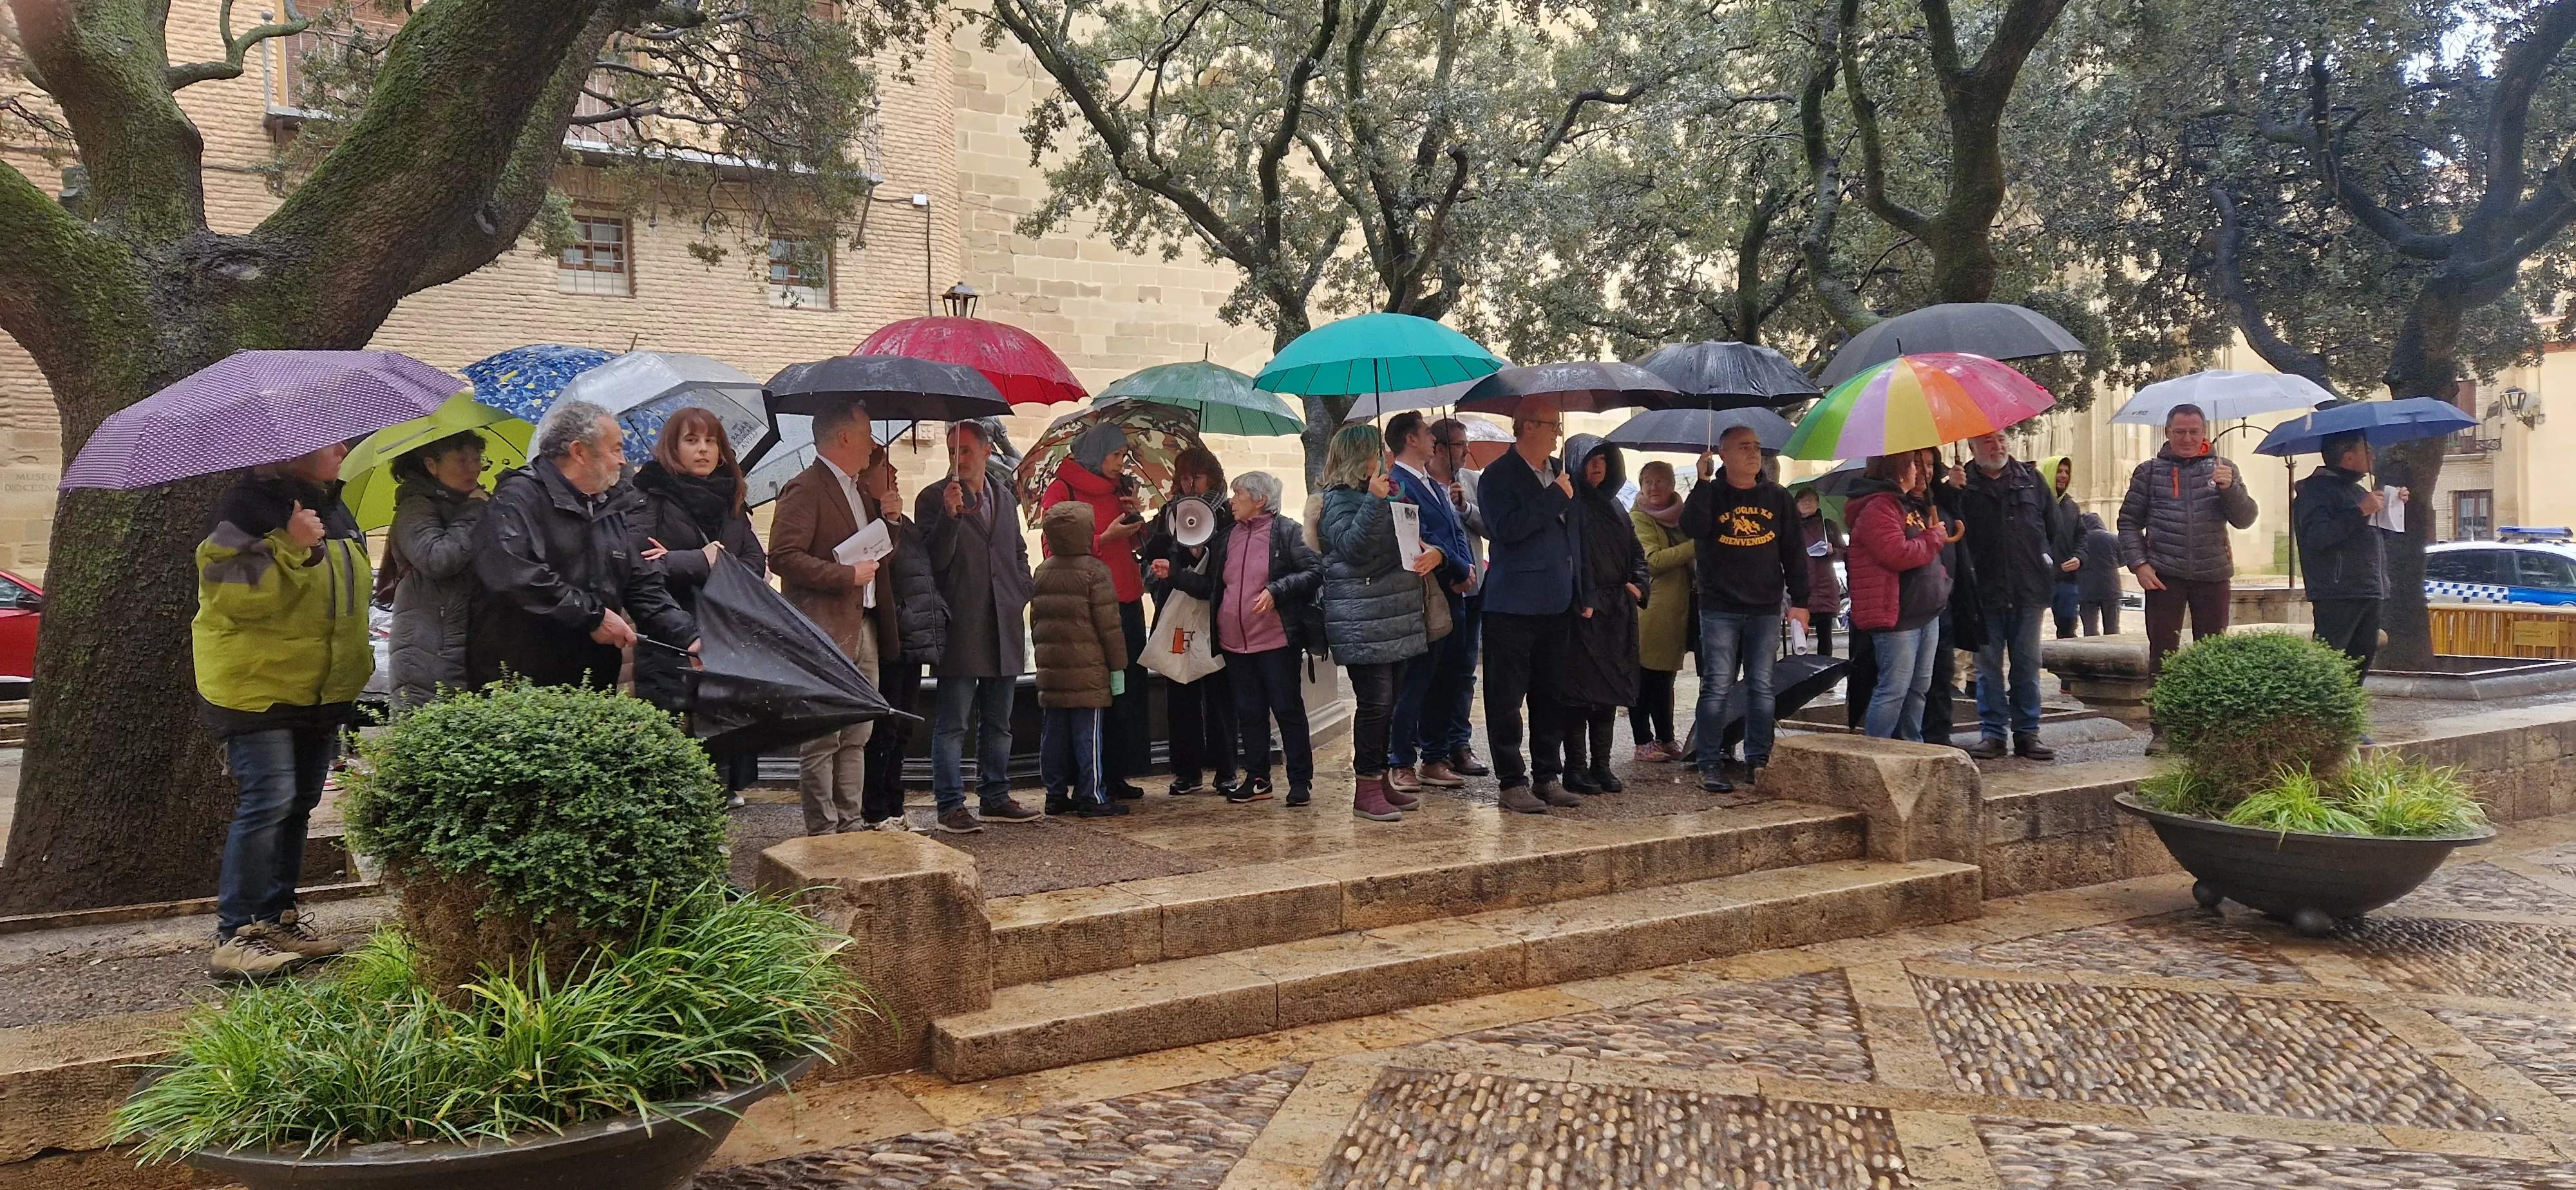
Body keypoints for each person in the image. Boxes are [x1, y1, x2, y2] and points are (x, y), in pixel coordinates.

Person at [194, 442, 372, 979]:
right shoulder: (245, 508)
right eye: (331, 441)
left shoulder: (333, 507)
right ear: (293, 448)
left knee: (299, 802)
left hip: (318, 685)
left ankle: (276, 920)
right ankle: (236, 935)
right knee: (268, 799)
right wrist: (289, 546)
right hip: (257, 683)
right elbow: (231, 597)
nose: (343, 447)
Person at [470, 400, 696, 690]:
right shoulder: (518, 498)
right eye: (616, 448)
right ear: (579, 452)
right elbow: (518, 576)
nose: (623, 460)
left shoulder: (609, 504)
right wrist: (594, 617)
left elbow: (641, 583)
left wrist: (689, 637)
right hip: (522, 683)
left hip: (592, 681)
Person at [767, 401, 905, 836]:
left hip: (864, 625)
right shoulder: (805, 488)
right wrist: (846, 575)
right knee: (825, 735)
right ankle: (823, 829)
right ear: (844, 437)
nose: (873, 443)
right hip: (825, 630)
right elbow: (784, 557)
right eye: (866, 432)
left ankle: (851, 821)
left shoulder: (860, 490)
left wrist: (892, 524)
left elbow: (874, 554)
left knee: (858, 733)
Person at [1166, 471, 1327, 805]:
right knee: (1249, 713)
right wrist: (1175, 576)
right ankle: (1258, 780)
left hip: (1275, 641)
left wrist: (1276, 590)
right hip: (1234, 644)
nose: (1231, 501)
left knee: (1287, 710)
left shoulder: (1288, 532)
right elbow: (1212, 589)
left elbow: (1314, 572)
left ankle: (1300, 781)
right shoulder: (1227, 538)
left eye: (1239, 495)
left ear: (1260, 500)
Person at [632, 408, 769, 796]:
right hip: (670, 640)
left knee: (716, 749)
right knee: (672, 753)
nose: (703, 450)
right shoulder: (650, 495)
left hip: (724, 636)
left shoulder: (732, 498)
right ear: (673, 447)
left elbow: (754, 564)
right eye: (691, 441)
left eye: (711, 441)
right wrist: (700, 559)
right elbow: (640, 569)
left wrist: (697, 560)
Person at [916, 420, 1042, 831]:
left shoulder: (1004, 497)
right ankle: (950, 804)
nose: (958, 459)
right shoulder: (932, 497)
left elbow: (1018, 550)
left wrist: (1021, 588)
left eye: (966, 450)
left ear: (987, 451)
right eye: (952, 451)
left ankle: (995, 795)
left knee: (1000, 720)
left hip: (1003, 621)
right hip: (962, 622)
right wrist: (949, 517)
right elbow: (931, 561)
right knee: (953, 722)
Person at [2118, 403, 2259, 753]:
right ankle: (2163, 731)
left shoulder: (2225, 469)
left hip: (2213, 574)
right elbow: (2128, 523)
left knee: (2212, 656)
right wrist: (2139, 564)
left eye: (2194, 431)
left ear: (2204, 433)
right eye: (2180, 432)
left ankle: (2209, 728)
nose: (2187, 438)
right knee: (2162, 655)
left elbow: (2245, 519)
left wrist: (2230, 489)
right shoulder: (2149, 472)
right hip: (2164, 575)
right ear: (2167, 433)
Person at [1681, 424, 1810, 793]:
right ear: (1723, 454)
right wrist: (1701, 483)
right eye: (1743, 448)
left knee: (1762, 687)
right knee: (1717, 686)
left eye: (1756, 447)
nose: (1753, 454)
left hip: (1765, 606)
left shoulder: (1778, 498)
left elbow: (1794, 554)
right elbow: (1692, 527)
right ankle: (1710, 761)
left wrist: (1801, 602)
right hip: (1719, 605)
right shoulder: (1711, 493)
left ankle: (1758, 759)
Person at [1316, 424, 1434, 822]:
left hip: (1394, 614)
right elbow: (1354, 549)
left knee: (1389, 703)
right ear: (1360, 456)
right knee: (1375, 705)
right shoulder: (1337, 501)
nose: (1387, 456)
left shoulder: (1385, 494)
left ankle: (1380, 780)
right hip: (1362, 618)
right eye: (1380, 450)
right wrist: (1373, 501)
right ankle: (1365, 789)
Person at [1477, 399, 1582, 814]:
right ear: (1526, 428)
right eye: (1550, 426)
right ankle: (1511, 781)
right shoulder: (1497, 476)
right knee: (1506, 697)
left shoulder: (1560, 471)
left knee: (1550, 693)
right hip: (1513, 602)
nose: (1557, 433)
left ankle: (1547, 776)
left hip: (1557, 599)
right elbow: (1505, 530)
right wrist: (1554, 496)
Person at [1041, 422, 1152, 800]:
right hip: (1087, 605)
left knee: (1126, 691)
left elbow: (1136, 543)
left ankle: (1116, 771)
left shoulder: (1119, 490)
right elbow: (1053, 548)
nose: (1121, 463)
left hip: (1125, 598)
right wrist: (1105, 539)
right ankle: (1086, 780)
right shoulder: (1063, 488)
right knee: (1093, 692)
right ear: (1095, 452)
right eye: (1115, 455)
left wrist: (1136, 519)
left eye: (1124, 456)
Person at [1949, 432, 2064, 761]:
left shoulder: (2032, 480)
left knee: (2027, 665)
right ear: (1971, 448)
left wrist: (2042, 563)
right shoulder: (1962, 484)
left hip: (2028, 589)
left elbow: (2053, 529)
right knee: (1987, 668)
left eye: (2001, 440)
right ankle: (1993, 733)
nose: (1997, 447)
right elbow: (1948, 531)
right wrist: (1950, 491)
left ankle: (2029, 733)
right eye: (1987, 442)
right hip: (1984, 592)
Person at [1379, 412, 1471, 796]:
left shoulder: (1432, 482)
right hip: (1426, 594)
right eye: (1427, 433)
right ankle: (1400, 760)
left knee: (1447, 678)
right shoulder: (1398, 484)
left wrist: (1463, 565)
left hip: (1452, 589)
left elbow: (1453, 530)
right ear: (1410, 440)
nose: (1434, 439)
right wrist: (1453, 562)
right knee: (1417, 680)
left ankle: (1435, 757)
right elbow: (1417, 534)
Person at [1142, 448, 1240, 798]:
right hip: (1177, 614)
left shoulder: (1228, 516)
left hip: (1213, 617)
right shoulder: (1167, 515)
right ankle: (1187, 770)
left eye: (1195, 477)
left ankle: (1226, 768)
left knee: (1219, 696)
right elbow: (1152, 560)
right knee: (1179, 693)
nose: (1188, 484)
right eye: (1183, 477)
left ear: (1212, 478)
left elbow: (1225, 572)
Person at [1845, 452, 1956, 741]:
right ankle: (1878, 754)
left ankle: (1911, 748)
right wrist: (1933, 537)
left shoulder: (1908, 504)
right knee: (1894, 689)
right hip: (1897, 615)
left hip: (1925, 611)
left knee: (1919, 687)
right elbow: (1897, 554)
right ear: (1897, 469)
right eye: (1912, 464)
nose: (1918, 471)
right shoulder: (1878, 508)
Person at [1031, 502, 1132, 817]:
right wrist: (1119, 668)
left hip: (1052, 672)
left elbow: (1036, 623)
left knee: (1054, 736)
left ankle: (1055, 794)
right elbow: (1110, 628)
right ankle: (1093, 795)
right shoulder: (1095, 572)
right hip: (1089, 673)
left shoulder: (1043, 571)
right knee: (1088, 735)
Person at [1560, 435, 1648, 793]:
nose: (1597, 466)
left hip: (1618, 614)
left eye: (1603, 459)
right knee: (1579, 694)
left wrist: (1638, 586)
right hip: (1584, 612)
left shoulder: (1617, 509)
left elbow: (1637, 554)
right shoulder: (1569, 507)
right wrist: (1586, 596)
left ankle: (1602, 764)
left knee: (1610, 691)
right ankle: (1576, 767)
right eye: (1589, 460)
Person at [383, 430, 487, 710]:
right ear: (432, 465)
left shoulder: (470, 503)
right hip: (428, 650)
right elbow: (437, 559)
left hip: (466, 644)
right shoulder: (415, 507)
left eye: (477, 459)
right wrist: (475, 510)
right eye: (462, 460)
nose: (473, 468)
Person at [2296, 431, 2403, 679]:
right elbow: (2317, 538)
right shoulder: (2315, 492)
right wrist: (2360, 511)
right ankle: (2324, 716)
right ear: (2348, 458)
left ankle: (2347, 716)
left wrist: (2392, 508)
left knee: (2358, 668)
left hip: (2369, 588)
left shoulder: (2356, 491)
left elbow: (2377, 537)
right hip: (2338, 592)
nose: (2373, 455)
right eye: (2366, 450)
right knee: (2329, 668)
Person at [1423, 418, 1491, 780]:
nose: (1467, 451)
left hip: (1474, 588)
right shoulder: (1419, 483)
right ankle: (1431, 744)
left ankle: (1459, 743)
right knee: (1435, 672)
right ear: (1439, 447)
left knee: (1465, 671)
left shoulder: (1473, 482)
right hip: (1439, 591)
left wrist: (1466, 510)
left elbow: (1492, 528)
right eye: (1460, 444)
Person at [1631, 460, 1695, 762]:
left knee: (1665, 680)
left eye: (1661, 481)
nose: (1654, 488)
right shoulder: (1639, 518)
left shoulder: (1680, 520)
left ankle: (1667, 738)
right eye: (1648, 482)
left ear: (1672, 485)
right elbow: (1653, 560)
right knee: (1644, 679)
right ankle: (1642, 740)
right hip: (1651, 610)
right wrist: (1696, 546)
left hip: (1676, 612)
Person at [1796, 487, 1845, 657]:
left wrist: (1833, 551)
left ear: (1818, 503)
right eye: (1803, 500)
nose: (1808, 503)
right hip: (1802, 588)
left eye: (1811, 499)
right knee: (1800, 637)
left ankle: (1825, 676)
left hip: (1825, 588)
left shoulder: (1828, 526)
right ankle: (1800, 674)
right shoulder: (1791, 527)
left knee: (1825, 637)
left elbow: (1845, 553)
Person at [2040, 455, 2085, 639]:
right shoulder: (2036, 504)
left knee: (2068, 628)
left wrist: (2079, 557)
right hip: (2039, 578)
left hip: (2067, 579)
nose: (2064, 476)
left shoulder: (2071, 506)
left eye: (2067, 472)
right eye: (2059, 471)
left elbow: (2082, 536)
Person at [2077, 512, 2122, 635]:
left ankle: (2092, 651)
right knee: (2112, 626)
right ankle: (2113, 651)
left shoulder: (2079, 541)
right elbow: (2124, 559)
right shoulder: (2113, 538)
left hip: (2086, 586)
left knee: (2090, 628)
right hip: (2111, 585)